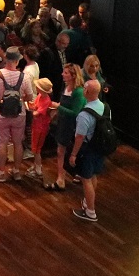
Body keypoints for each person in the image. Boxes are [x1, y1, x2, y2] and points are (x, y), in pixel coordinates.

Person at [0, 47, 30, 183]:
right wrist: (20, 98)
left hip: (1, 114)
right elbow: (29, 96)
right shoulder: (24, 77)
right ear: (17, 61)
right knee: (18, 143)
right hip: (19, 114)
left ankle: (0, 172)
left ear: (6, 58)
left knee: (2, 143)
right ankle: (16, 171)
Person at [70, 78, 109, 223]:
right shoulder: (106, 107)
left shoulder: (84, 115)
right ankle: (88, 202)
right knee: (93, 176)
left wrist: (73, 154)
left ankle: (90, 212)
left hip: (88, 150)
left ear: (86, 91)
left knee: (86, 179)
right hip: (100, 148)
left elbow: (80, 136)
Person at [51, 63, 87, 191]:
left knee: (68, 152)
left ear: (73, 75)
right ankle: (60, 178)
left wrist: (58, 107)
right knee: (60, 151)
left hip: (72, 126)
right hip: (63, 124)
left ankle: (72, 176)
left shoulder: (78, 92)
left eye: (66, 73)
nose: (62, 74)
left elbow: (75, 113)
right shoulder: (67, 88)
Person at [28, 77, 57, 184]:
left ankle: (38, 169)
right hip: (36, 125)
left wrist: (29, 109)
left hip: (40, 127)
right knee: (34, 147)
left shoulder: (46, 100)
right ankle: (36, 165)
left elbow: (37, 113)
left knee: (36, 149)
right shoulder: (40, 96)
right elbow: (35, 106)